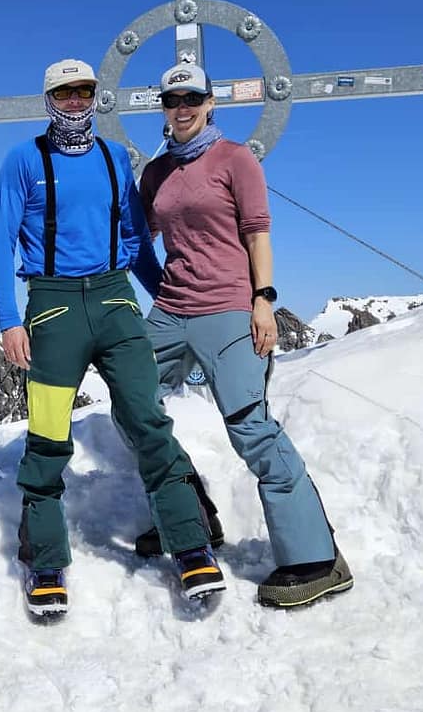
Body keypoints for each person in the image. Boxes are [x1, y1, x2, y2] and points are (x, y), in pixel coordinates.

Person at [0, 58, 226, 620]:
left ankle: (190, 546)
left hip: (117, 300)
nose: (75, 100)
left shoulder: (117, 159)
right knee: (48, 434)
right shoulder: (24, 160)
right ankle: (45, 559)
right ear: (49, 98)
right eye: (63, 92)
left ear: (97, 95)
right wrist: (8, 319)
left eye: (84, 91)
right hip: (52, 307)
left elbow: (138, 241)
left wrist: (170, 297)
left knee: (148, 420)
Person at [134, 62, 354, 609]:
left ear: (211, 103)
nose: (181, 108)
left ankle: (315, 560)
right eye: (171, 99)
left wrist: (263, 302)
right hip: (170, 309)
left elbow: (258, 234)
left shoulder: (235, 160)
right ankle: (189, 518)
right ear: (162, 107)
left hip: (229, 308)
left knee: (249, 426)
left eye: (191, 98)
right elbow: (138, 238)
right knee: (132, 404)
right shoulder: (156, 174)